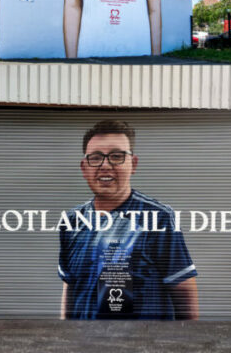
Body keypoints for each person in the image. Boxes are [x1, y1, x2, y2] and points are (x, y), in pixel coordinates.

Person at [59, 120, 198, 319]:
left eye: (116, 156)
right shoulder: (71, 221)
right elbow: (70, 285)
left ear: (133, 164)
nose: (105, 165)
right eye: (96, 158)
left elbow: (184, 292)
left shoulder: (158, 219)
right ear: (84, 168)